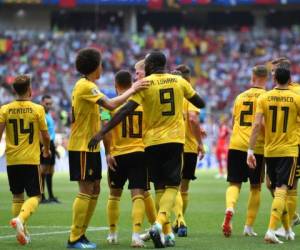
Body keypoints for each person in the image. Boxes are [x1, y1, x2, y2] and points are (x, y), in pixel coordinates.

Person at [88, 51, 205, 248]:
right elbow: (200, 103)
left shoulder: (145, 85)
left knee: (158, 187)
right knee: (172, 186)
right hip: (174, 140)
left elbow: (124, 110)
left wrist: (102, 131)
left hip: (150, 143)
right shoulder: (178, 81)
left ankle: (162, 232)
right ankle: (159, 225)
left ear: (150, 65)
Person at [67, 48, 148, 249]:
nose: (102, 67)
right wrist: (134, 88)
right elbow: (111, 105)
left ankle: (82, 234)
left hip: (91, 146)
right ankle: (74, 237)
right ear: (95, 66)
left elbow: (104, 113)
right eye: (101, 63)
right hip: (82, 146)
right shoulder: (84, 86)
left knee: (95, 188)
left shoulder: (90, 86)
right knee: (86, 188)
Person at [247, 67, 300, 243]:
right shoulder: (296, 98)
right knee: (283, 189)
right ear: (289, 79)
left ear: (275, 79)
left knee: (275, 189)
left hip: (270, 151)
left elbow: (256, 126)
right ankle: (271, 230)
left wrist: (250, 150)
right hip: (288, 150)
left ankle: (286, 229)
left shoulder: (264, 97)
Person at [0, 75, 50, 245]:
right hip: (30, 159)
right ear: (30, 90)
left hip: (12, 160)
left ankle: (22, 232)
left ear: (14, 90)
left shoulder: (5, 109)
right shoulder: (38, 109)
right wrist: (47, 150)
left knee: (17, 196)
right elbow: (45, 135)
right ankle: (20, 219)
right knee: (36, 196)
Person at [102, 70, 149, 247]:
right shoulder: (142, 103)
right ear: (132, 84)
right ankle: (136, 236)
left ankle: (112, 234)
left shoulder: (108, 107)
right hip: (139, 152)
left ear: (116, 86)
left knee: (114, 195)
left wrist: (108, 153)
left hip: (117, 154)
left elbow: (105, 129)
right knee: (138, 195)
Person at [222, 65, 267, 238]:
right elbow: (262, 125)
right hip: (256, 147)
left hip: (236, 144)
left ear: (252, 77)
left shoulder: (240, 97)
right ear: (265, 79)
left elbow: (234, 121)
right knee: (255, 187)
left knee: (234, 184)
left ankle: (230, 207)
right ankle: (248, 227)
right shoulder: (266, 97)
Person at [171, 65, 205, 237]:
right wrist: (200, 142)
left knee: (172, 188)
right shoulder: (189, 94)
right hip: (189, 147)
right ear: (188, 78)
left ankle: (179, 220)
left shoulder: (168, 92)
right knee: (184, 188)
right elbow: (193, 119)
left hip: (172, 144)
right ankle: (180, 222)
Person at [40, 95, 60, 204]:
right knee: (43, 170)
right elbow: (40, 132)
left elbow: (51, 133)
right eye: (46, 103)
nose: (48, 105)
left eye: (50, 103)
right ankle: (42, 196)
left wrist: (54, 149)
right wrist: (44, 146)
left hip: (50, 143)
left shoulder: (48, 114)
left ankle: (51, 196)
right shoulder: (41, 114)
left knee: (50, 170)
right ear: (42, 102)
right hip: (44, 144)